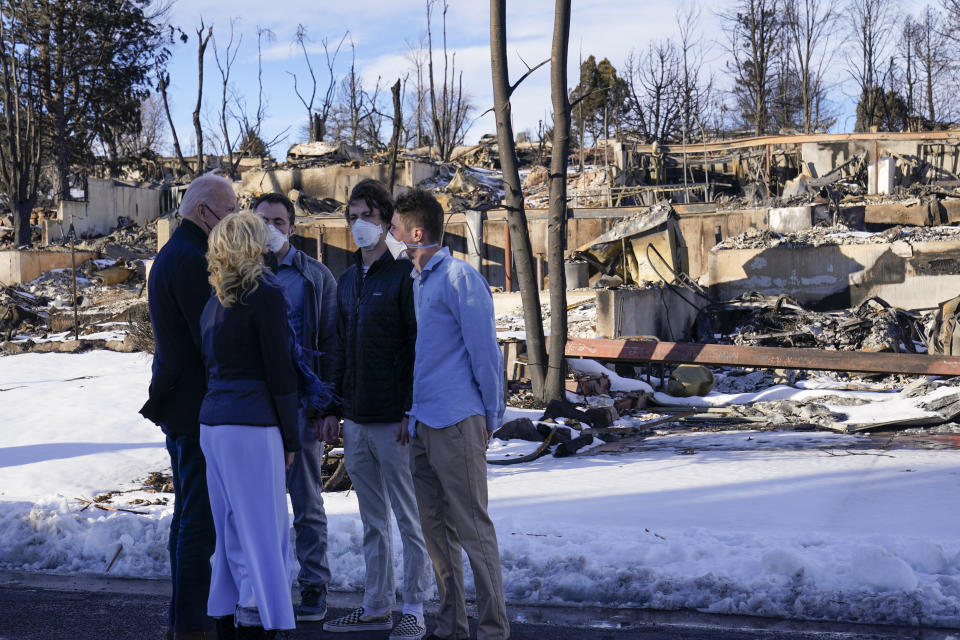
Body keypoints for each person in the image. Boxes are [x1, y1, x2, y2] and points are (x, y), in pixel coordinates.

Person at [389, 189, 509, 640]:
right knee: (436, 534)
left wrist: (490, 414)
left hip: (458, 422)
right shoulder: (417, 282)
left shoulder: (460, 278)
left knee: (473, 528)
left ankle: (493, 630)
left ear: (417, 233)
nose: (391, 237)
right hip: (422, 423)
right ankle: (451, 626)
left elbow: (485, 353)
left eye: (395, 230)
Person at [319, 180, 432, 640]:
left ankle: (415, 608)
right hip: (358, 420)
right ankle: (375, 605)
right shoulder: (346, 281)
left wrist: (411, 409)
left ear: (387, 222)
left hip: (394, 421)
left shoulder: (403, 275)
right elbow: (339, 348)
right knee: (372, 521)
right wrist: (332, 407)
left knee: (408, 517)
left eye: (368, 215)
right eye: (353, 215)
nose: (359, 223)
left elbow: (416, 347)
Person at [198, 211, 307, 639]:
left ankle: (230, 618)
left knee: (230, 534)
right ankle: (258, 622)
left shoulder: (214, 301)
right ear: (252, 246)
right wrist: (291, 437)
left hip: (214, 424)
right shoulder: (265, 294)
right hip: (252, 424)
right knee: (264, 533)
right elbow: (280, 372)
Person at [140, 173, 237, 640]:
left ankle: (185, 623)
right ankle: (194, 628)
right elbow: (211, 339)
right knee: (199, 525)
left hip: (180, 406)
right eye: (230, 211)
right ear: (204, 212)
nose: (235, 220)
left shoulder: (173, 253)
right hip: (197, 409)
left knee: (188, 519)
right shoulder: (194, 260)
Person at [252, 192, 337, 622]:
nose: (271, 227)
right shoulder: (241, 274)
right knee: (261, 506)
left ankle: (314, 587)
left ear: (293, 227)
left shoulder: (314, 277)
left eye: (278, 221)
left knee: (306, 502)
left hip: (303, 405)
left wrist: (327, 407)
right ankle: (268, 588)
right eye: (263, 219)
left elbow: (330, 343)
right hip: (255, 408)